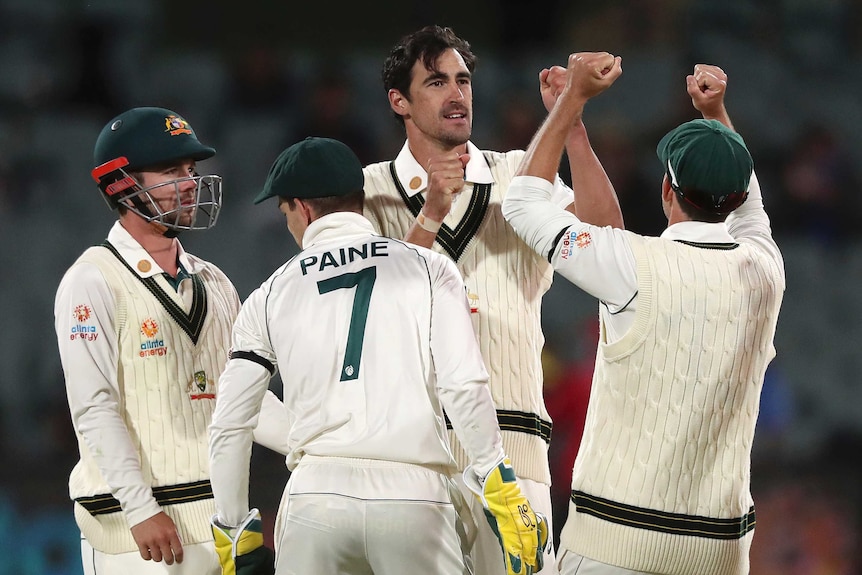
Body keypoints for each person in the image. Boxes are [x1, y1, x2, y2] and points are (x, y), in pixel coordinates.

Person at [208, 136, 547, 575]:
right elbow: (463, 383)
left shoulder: (269, 294)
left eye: (285, 211)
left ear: (302, 209)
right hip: (414, 495)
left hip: (315, 497)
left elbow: (231, 422)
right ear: (359, 199)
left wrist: (234, 529)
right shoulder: (428, 267)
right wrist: (498, 480)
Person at [502, 54, 785, 575]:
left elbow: (521, 203)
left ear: (665, 191)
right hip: (719, 554)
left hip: (615, 546)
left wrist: (571, 103)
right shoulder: (766, 271)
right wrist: (716, 115)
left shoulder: (634, 265)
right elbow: (750, 208)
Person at [361, 25, 624, 574]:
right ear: (399, 101)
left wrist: (570, 126)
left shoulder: (519, 176)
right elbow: (377, 308)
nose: (457, 94)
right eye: (435, 82)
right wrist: (430, 212)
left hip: (518, 446)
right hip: (410, 457)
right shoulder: (367, 192)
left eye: (463, 80)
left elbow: (604, 232)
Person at [54, 106, 288, 574]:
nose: (189, 182)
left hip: (219, 524)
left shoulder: (215, 280)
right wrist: (139, 510)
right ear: (121, 182)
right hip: (134, 535)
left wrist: (315, 448)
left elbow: (243, 397)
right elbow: (93, 405)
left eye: (191, 170)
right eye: (170, 170)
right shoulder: (92, 279)